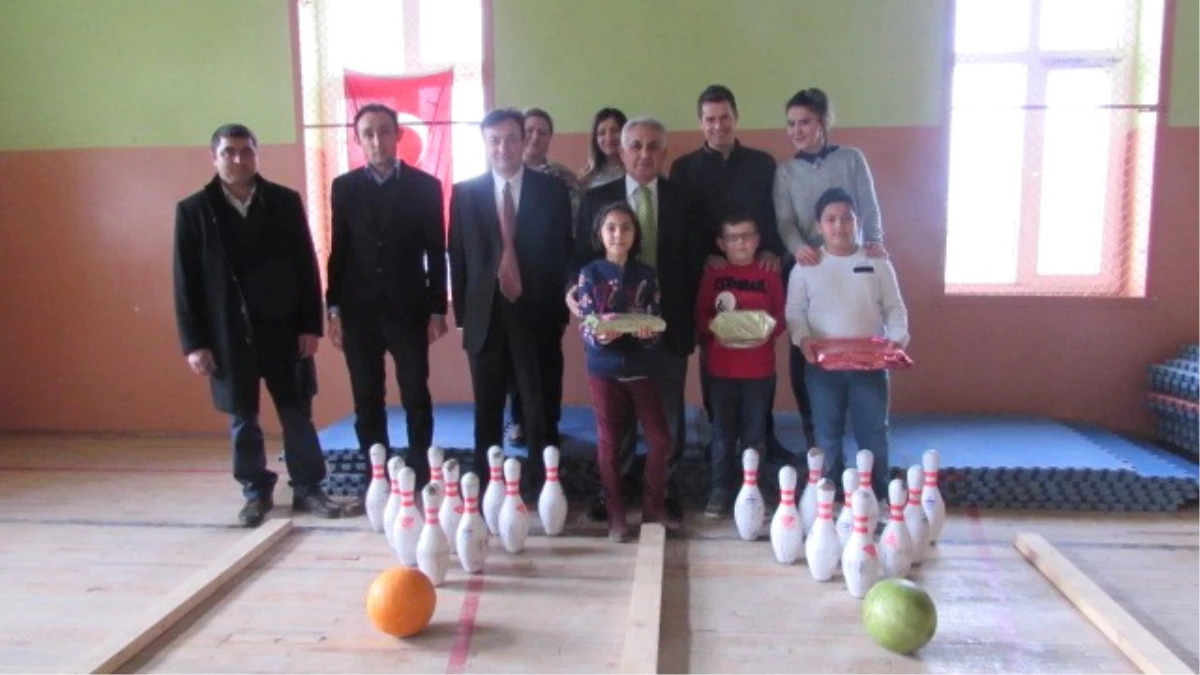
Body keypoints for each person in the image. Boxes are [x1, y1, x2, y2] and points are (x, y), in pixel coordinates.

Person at [173, 123, 343, 527]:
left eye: (246, 151)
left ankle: (308, 488)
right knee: (243, 418)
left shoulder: (284, 202)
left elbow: (306, 265)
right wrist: (194, 343)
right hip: (227, 335)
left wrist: (310, 326)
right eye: (228, 152)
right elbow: (185, 282)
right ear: (213, 157)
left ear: (256, 155)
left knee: (297, 412)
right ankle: (255, 491)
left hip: (284, 330)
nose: (238, 159)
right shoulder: (194, 211)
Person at [572, 116, 706, 521]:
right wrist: (570, 289)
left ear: (664, 152)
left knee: (664, 415)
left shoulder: (684, 197)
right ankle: (616, 486)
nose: (644, 154)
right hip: (610, 331)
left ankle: (661, 488)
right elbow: (577, 255)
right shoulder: (597, 198)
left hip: (668, 326)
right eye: (636, 145)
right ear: (622, 149)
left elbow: (694, 261)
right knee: (616, 419)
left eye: (652, 146)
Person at [449, 107, 573, 496]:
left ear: (525, 141)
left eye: (511, 138)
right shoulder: (465, 193)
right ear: (486, 144)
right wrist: (463, 317)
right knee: (487, 408)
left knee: (540, 407)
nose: (503, 147)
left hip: (537, 314)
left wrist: (558, 311)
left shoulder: (551, 191)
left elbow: (562, 252)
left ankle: (543, 486)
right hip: (485, 315)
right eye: (494, 140)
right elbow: (458, 255)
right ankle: (487, 487)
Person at [325, 103, 447, 485]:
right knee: (366, 396)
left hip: (407, 307)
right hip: (358, 309)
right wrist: (333, 309)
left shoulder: (425, 187)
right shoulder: (344, 188)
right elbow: (339, 250)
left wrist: (437, 310)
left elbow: (435, 252)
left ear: (398, 135)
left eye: (384, 131)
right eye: (368, 133)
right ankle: (376, 472)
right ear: (359, 140)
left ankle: (421, 469)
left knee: (415, 393)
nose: (377, 140)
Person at [669, 84, 789, 469]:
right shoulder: (684, 169)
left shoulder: (762, 163)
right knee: (715, 355)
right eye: (710, 119)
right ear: (700, 123)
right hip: (713, 275)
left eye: (724, 117)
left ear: (736, 117)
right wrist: (704, 258)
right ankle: (719, 439)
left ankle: (763, 437)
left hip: (758, 271)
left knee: (759, 351)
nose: (718, 125)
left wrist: (772, 249)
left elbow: (774, 215)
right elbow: (684, 224)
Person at [774, 87, 888, 451]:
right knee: (806, 349)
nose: (796, 130)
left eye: (804, 122)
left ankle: (866, 438)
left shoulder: (852, 159)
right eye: (791, 124)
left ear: (822, 122)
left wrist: (874, 243)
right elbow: (786, 222)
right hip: (811, 266)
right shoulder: (786, 173)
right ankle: (816, 437)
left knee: (859, 343)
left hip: (853, 263)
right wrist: (798, 249)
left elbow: (869, 208)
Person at [785, 187, 908, 501]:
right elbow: (794, 312)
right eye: (830, 219)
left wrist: (897, 340)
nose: (839, 226)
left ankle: (878, 497)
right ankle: (829, 499)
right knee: (826, 434)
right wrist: (803, 339)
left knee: (874, 433)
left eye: (846, 218)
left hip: (871, 365)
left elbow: (894, 307)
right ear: (818, 226)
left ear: (858, 221)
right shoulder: (805, 266)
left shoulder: (877, 261)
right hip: (822, 366)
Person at [577, 202, 683, 539]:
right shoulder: (589, 274)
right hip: (604, 371)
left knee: (660, 438)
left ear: (635, 234)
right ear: (600, 233)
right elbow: (586, 325)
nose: (618, 234)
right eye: (611, 228)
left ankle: (653, 508)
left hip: (642, 369)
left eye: (625, 228)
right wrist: (600, 337)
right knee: (609, 443)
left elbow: (654, 319)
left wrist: (649, 335)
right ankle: (615, 515)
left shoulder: (646, 275)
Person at [695, 215, 786, 519]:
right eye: (733, 238)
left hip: (760, 369)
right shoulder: (713, 275)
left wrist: (760, 331)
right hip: (721, 369)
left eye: (747, 236)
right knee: (722, 433)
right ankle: (720, 489)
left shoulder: (769, 273)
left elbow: (781, 317)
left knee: (755, 434)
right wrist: (721, 328)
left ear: (758, 240)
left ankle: (753, 486)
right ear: (722, 244)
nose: (741, 243)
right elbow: (702, 317)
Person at [502, 106, 578, 448]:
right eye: (528, 131)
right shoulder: (496, 178)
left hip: (546, 290)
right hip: (506, 289)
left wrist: (566, 291)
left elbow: (568, 237)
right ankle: (517, 421)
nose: (534, 138)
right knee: (513, 363)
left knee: (548, 359)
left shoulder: (560, 181)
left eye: (542, 132)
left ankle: (550, 420)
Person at [578, 107, 628, 188]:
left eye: (615, 131)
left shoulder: (635, 172)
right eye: (602, 133)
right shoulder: (587, 177)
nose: (608, 138)